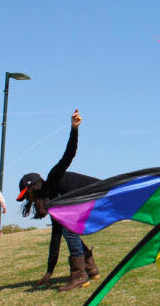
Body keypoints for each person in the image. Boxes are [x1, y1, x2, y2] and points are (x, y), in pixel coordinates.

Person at [18, 110, 101, 291]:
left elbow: (68, 155)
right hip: (92, 201)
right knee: (64, 229)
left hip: (101, 194)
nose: (28, 200)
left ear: (34, 188)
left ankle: (80, 275)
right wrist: (49, 272)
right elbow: (55, 238)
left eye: (27, 195)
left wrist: (74, 129)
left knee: (69, 229)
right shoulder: (54, 203)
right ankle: (90, 268)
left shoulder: (54, 178)